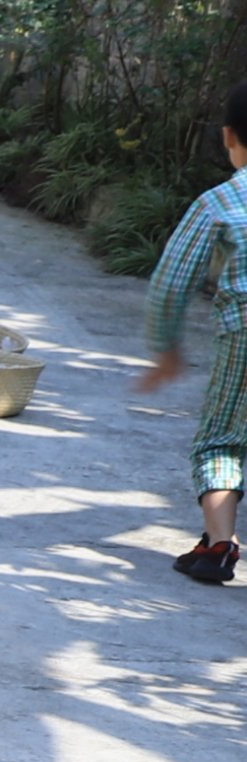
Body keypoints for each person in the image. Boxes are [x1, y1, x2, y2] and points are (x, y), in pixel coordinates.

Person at [137, 80, 247, 585]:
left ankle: (219, 545)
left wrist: (166, 350)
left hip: (242, 336)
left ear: (229, 136)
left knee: (223, 440)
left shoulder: (218, 203)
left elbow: (170, 283)